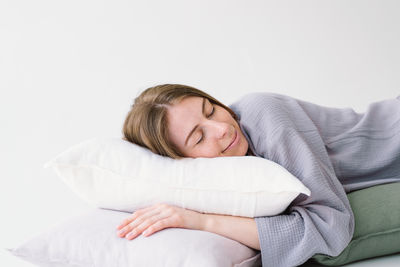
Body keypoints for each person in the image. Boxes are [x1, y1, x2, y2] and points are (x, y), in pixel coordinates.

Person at [117, 84, 400, 267]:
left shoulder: (264, 115)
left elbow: (330, 227)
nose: (221, 129)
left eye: (211, 110)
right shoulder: (230, 178)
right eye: (199, 137)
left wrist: (202, 221)